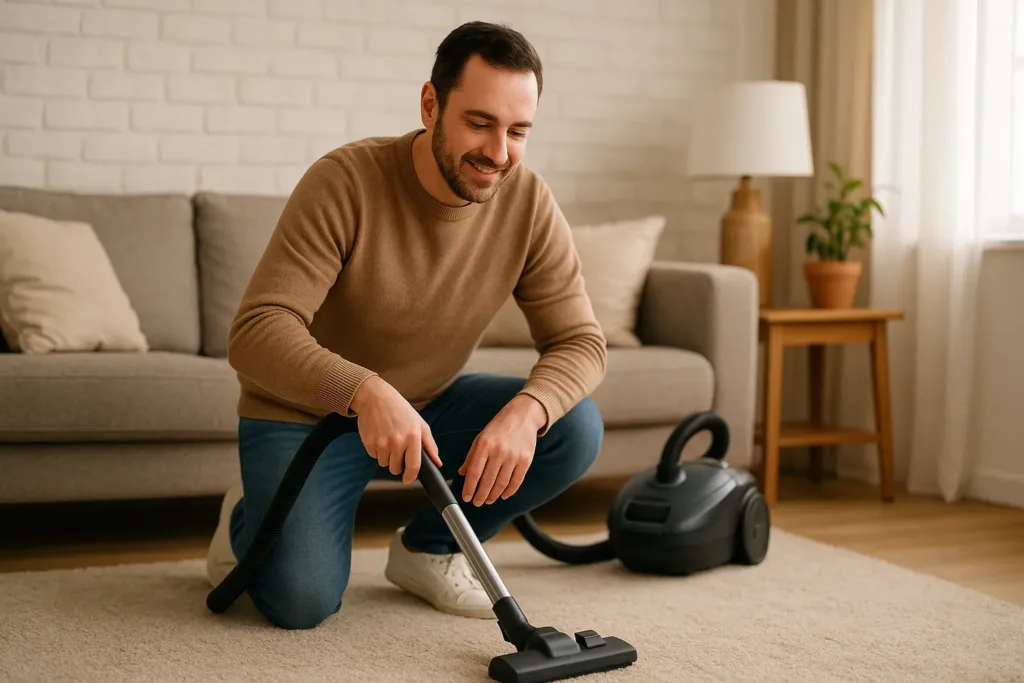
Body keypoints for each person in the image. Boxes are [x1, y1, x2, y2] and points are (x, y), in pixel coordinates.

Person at [205, 21, 608, 631]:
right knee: (299, 601)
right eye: (480, 123)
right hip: (305, 418)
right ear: (430, 105)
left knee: (571, 426)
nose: (498, 153)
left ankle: (430, 547)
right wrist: (365, 391)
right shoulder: (345, 181)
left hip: (427, 412)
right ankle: (250, 517)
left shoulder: (527, 201)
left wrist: (529, 413)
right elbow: (258, 330)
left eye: (518, 131)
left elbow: (580, 341)